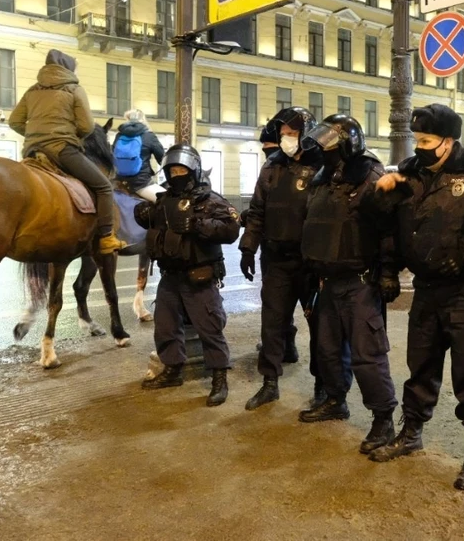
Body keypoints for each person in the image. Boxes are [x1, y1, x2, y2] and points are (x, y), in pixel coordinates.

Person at [365, 104, 464, 491]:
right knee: (420, 367)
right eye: (417, 140)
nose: (420, 147)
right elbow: (389, 228)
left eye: (427, 141)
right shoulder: (409, 174)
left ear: (449, 141)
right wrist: (382, 196)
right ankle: (411, 433)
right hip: (427, 291)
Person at [298, 114, 399, 456]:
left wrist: (387, 272)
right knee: (326, 349)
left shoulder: (371, 175)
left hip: (360, 282)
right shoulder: (323, 179)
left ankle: (383, 419)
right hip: (328, 280)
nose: (325, 151)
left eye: (331, 144)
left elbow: (388, 230)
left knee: (367, 356)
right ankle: (335, 400)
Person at [135, 144, 241, 406]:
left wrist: (199, 225)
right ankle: (172, 370)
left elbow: (231, 229)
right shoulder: (163, 200)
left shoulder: (209, 199)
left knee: (210, 329)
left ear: (193, 170)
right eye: (172, 170)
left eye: (182, 169)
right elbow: (154, 226)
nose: (176, 174)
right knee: (166, 327)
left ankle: (219, 377)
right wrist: (143, 215)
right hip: (170, 277)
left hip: (199, 276)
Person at [241, 107, 329, 411]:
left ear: (306, 133)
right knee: (272, 323)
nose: (286, 138)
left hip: (311, 264)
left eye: (292, 133)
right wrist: (248, 248)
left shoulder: (323, 165)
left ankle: (323, 387)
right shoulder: (272, 166)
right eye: (283, 133)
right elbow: (257, 211)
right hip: (276, 260)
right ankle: (269, 383)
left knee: (321, 329)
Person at [9, 49, 126, 254]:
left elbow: (14, 121)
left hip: (32, 151)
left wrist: (35, 134)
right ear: (69, 68)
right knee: (104, 186)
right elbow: (87, 126)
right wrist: (73, 136)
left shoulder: (32, 90)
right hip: (62, 149)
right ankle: (107, 237)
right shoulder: (74, 90)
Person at [112, 109, 166, 202]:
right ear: (143, 119)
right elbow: (162, 159)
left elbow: (112, 154)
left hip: (119, 182)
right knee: (167, 201)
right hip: (141, 183)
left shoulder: (119, 136)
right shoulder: (149, 136)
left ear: (127, 119)